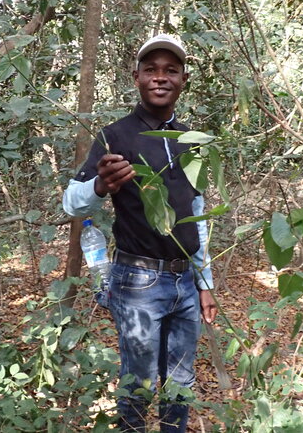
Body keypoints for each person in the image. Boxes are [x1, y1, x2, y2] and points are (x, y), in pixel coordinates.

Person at [62, 34, 218, 432]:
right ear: (137, 78)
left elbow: (196, 214)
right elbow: (72, 203)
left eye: (171, 70)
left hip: (186, 280)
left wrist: (205, 283)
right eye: (151, 70)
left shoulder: (190, 140)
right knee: (138, 384)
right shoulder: (115, 136)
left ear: (183, 80)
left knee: (181, 381)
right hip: (138, 282)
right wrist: (101, 185)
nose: (160, 77)